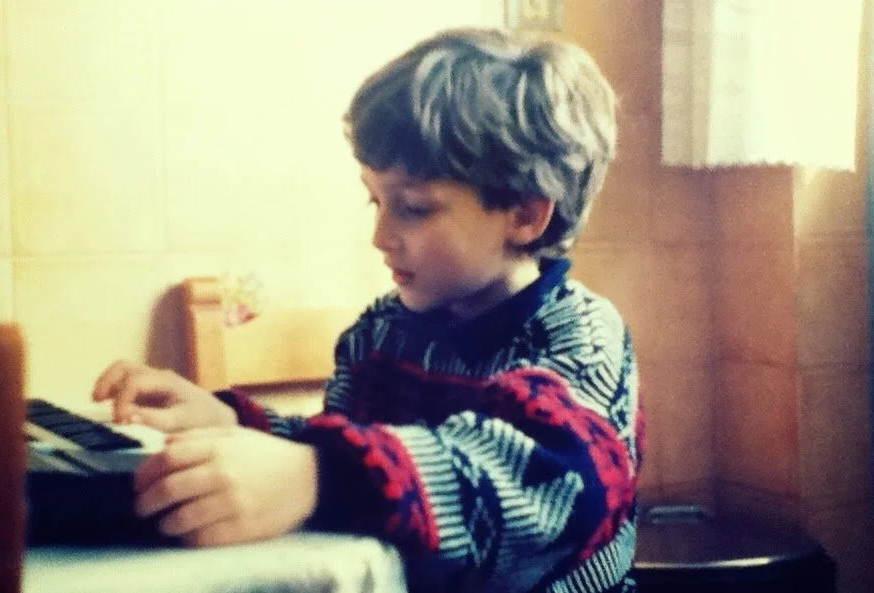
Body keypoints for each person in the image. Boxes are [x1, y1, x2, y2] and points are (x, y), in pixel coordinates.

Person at [93, 28, 643, 593]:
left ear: (525, 215)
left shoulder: (580, 340)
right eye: (375, 200)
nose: (380, 235)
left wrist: (321, 478)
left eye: (414, 208)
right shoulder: (379, 333)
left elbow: (547, 486)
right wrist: (236, 424)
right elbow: (353, 446)